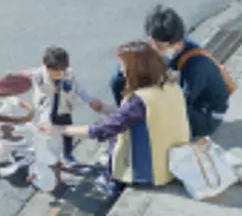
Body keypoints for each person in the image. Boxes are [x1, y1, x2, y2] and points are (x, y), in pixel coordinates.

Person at [53, 41, 189, 195]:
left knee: (116, 137)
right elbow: (138, 115)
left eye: (124, 66)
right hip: (175, 162)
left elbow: (104, 130)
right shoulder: (170, 86)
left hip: (153, 172)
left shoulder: (139, 100)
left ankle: (115, 181)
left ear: (135, 70)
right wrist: (107, 108)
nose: (121, 70)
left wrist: (62, 129)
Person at [110, 6, 232, 139]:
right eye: (151, 42)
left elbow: (180, 102)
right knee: (118, 80)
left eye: (159, 46)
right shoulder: (167, 48)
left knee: (162, 109)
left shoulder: (197, 64)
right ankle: (127, 122)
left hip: (205, 113)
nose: (153, 49)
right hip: (182, 96)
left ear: (176, 44)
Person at [32, 45, 108, 167]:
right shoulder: (38, 75)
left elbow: (79, 89)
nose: (61, 74)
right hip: (47, 107)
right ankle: (44, 155)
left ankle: (67, 154)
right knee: (45, 132)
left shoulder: (69, 74)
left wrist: (90, 100)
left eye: (63, 70)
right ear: (46, 67)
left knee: (67, 131)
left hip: (64, 107)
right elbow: (25, 77)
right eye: (57, 72)